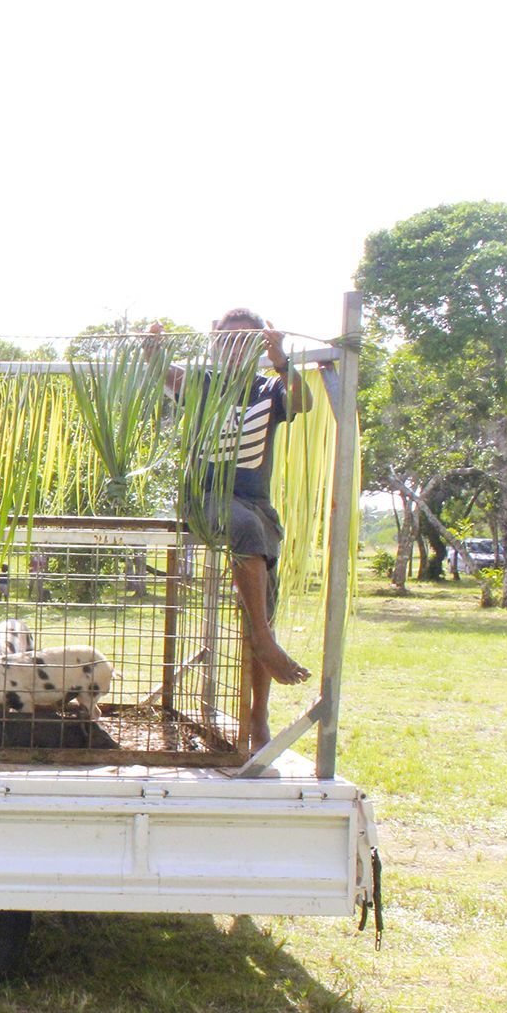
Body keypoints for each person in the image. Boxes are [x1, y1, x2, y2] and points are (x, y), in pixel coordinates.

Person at [156, 310, 321, 754]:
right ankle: (266, 643)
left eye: (244, 341)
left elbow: (303, 403)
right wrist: (154, 348)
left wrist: (281, 359)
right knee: (244, 527)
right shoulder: (201, 383)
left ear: (257, 347)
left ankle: (258, 713)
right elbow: (164, 372)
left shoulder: (269, 388)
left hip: (255, 505)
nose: (233, 348)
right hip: (205, 501)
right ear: (214, 343)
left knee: (262, 597)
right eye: (225, 340)